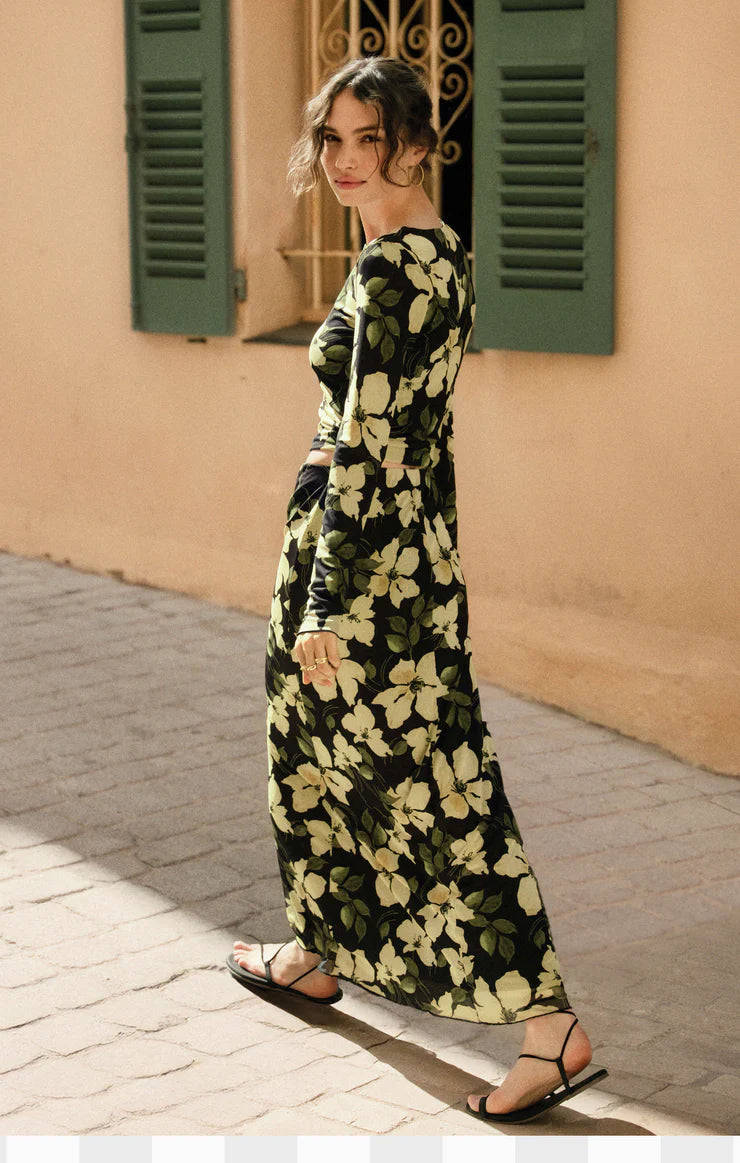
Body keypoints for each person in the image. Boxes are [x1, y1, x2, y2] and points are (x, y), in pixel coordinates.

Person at [225, 56, 608, 1124]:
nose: (348, 161)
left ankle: (548, 1028)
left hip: (364, 568)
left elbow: (368, 446)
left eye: (372, 140)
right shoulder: (434, 251)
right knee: (321, 755)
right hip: (404, 556)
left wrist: (322, 601)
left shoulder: (397, 269)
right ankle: (316, 947)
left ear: (417, 145)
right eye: (334, 140)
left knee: (436, 785)